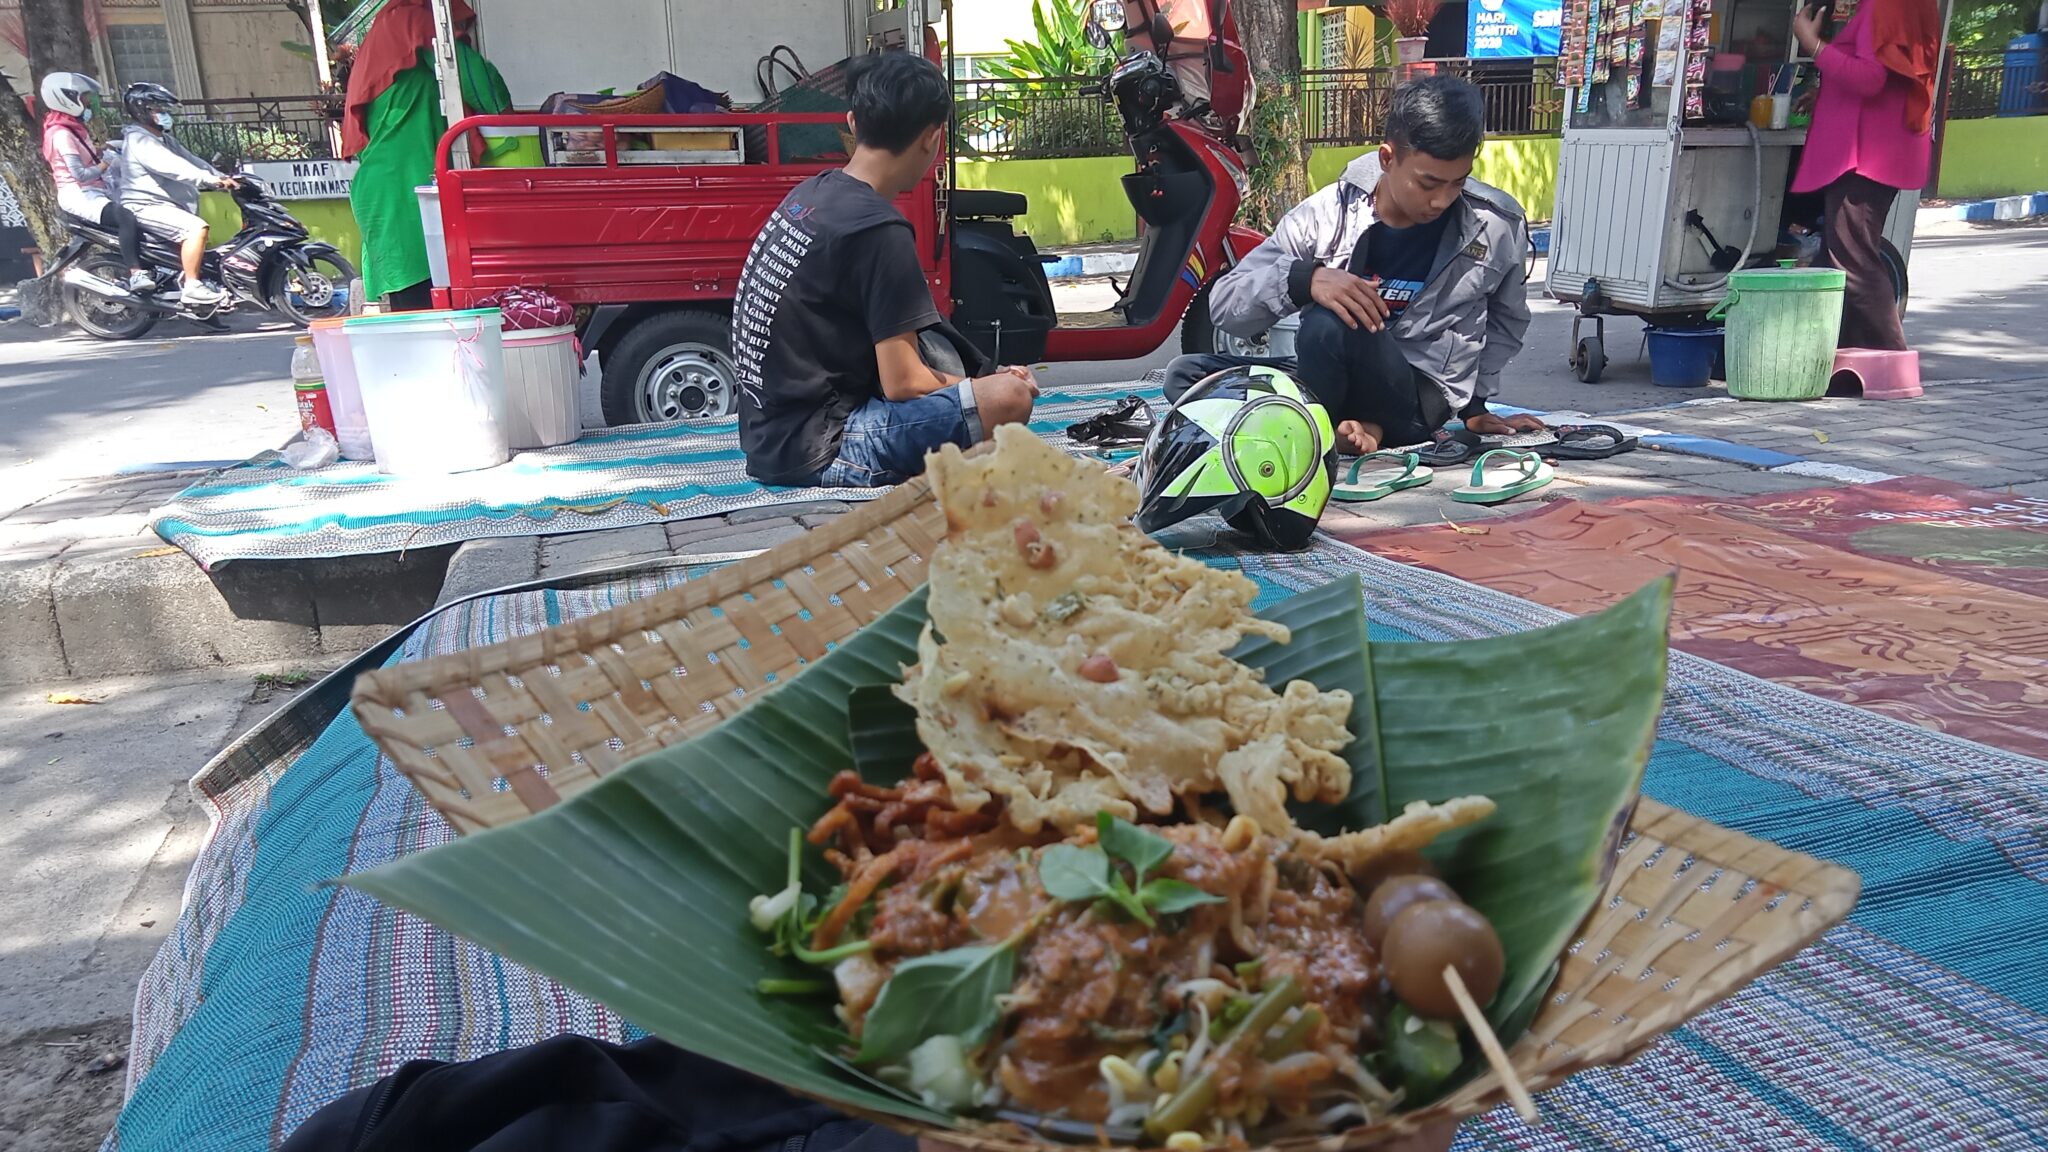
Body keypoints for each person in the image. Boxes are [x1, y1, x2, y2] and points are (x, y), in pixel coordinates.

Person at [1173, 75, 1537, 457]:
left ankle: (1316, 428)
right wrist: (1305, 280)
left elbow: (1506, 319)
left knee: (1326, 323)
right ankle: (1347, 428)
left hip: (1415, 396)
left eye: (1457, 183)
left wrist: (1476, 405)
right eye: (1428, 184)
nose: (1441, 200)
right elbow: (1226, 307)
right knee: (1189, 376)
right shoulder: (1325, 215)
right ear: (1387, 158)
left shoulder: (1494, 225)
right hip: (1330, 377)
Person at [733, 51, 1036, 488]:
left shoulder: (811, 194)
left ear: (853, 124)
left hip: (768, 441)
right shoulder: (878, 227)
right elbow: (903, 383)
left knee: (944, 353)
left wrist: (969, 380)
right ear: (932, 139)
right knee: (1009, 397)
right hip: (825, 448)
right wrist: (984, 385)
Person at [342, 0, 511, 312]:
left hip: (388, 191)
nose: (464, 35)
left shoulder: (385, 30)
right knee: (428, 322)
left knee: (421, 321)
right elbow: (477, 82)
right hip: (402, 194)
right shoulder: (414, 22)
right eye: (462, 27)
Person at [1791, 0, 1936, 351]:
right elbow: (1887, 76)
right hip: (1876, 150)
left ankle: (1891, 362)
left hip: (1865, 156)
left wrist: (1813, 45)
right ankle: (1844, 361)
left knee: (1853, 261)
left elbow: (1870, 79)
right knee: (1838, 261)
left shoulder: (1884, 7)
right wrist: (1828, 92)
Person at [117, 82, 237, 305]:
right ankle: (192, 286)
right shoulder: (139, 139)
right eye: (159, 110)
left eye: (165, 110)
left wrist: (224, 176)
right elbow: (172, 166)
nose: (164, 115)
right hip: (145, 205)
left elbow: (192, 161)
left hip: (167, 205)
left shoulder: (164, 139)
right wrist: (209, 180)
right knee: (195, 229)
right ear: (142, 111)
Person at [38, 72, 151, 292]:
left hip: (94, 190)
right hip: (79, 194)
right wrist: (106, 164)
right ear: (66, 99)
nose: (88, 104)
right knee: (124, 216)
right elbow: (80, 174)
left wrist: (107, 149)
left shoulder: (72, 127)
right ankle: (136, 273)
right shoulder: (61, 134)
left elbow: (87, 153)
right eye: (84, 99)